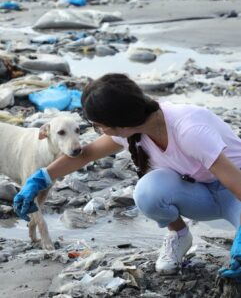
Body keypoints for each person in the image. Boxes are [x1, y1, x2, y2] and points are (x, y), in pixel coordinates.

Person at [14, 73, 241, 279]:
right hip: (202, 196)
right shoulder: (134, 129)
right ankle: (179, 235)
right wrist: (41, 178)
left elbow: (235, 182)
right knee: (148, 191)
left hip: (235, 194)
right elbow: (86, 155)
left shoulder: (188, 130)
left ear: (120, 123)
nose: (99, 131)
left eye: (98, 126)